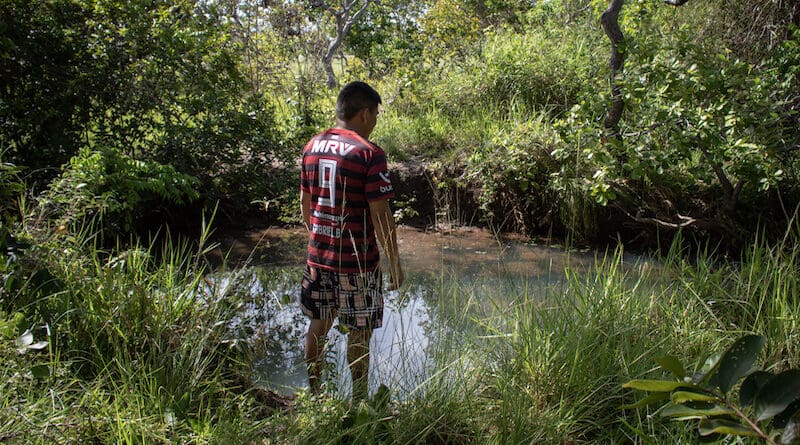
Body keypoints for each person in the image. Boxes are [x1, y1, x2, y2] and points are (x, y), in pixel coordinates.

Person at [299, 81, 404, 402]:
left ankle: (315, 396)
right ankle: (359, 403)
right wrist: (395, 263)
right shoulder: (369, 154)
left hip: (319, 259)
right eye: (375, 113)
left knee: (319, 325)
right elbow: (380, 215)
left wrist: (321, 240)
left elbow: (305, 205)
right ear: (363, 113)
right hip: (358, 265)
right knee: (360, 333)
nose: (375, 120)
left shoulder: (312, 146)